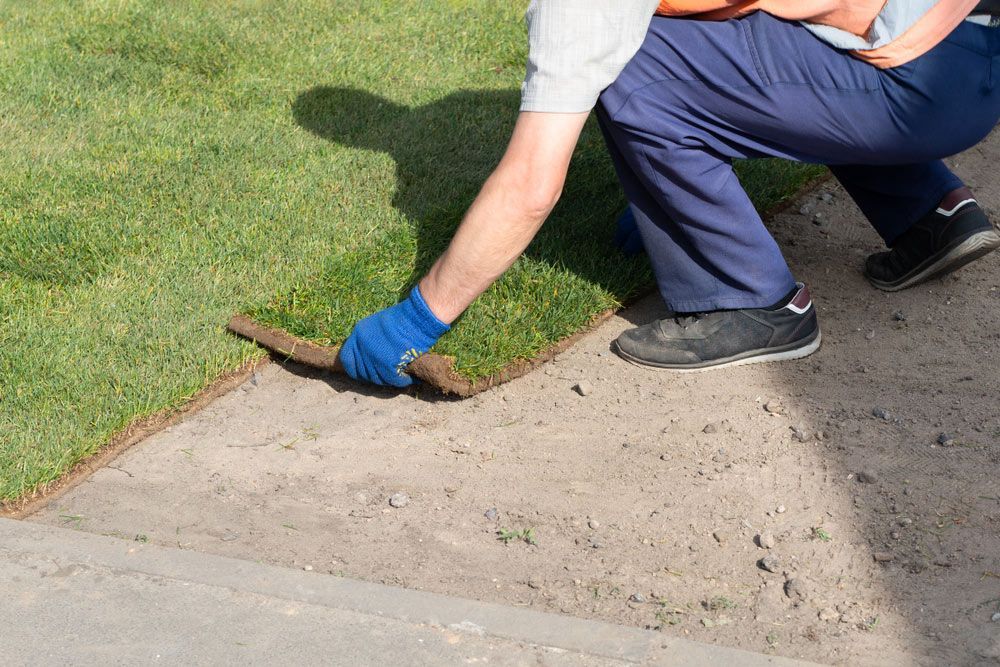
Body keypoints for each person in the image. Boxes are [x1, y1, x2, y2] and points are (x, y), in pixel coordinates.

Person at [338, 0, 1000, 386]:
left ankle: (754, 299)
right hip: (968, 37)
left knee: (635, 74)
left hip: (926, 86)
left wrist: (417, 319)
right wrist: (660, 198)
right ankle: (929, 211)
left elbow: (531, 183)